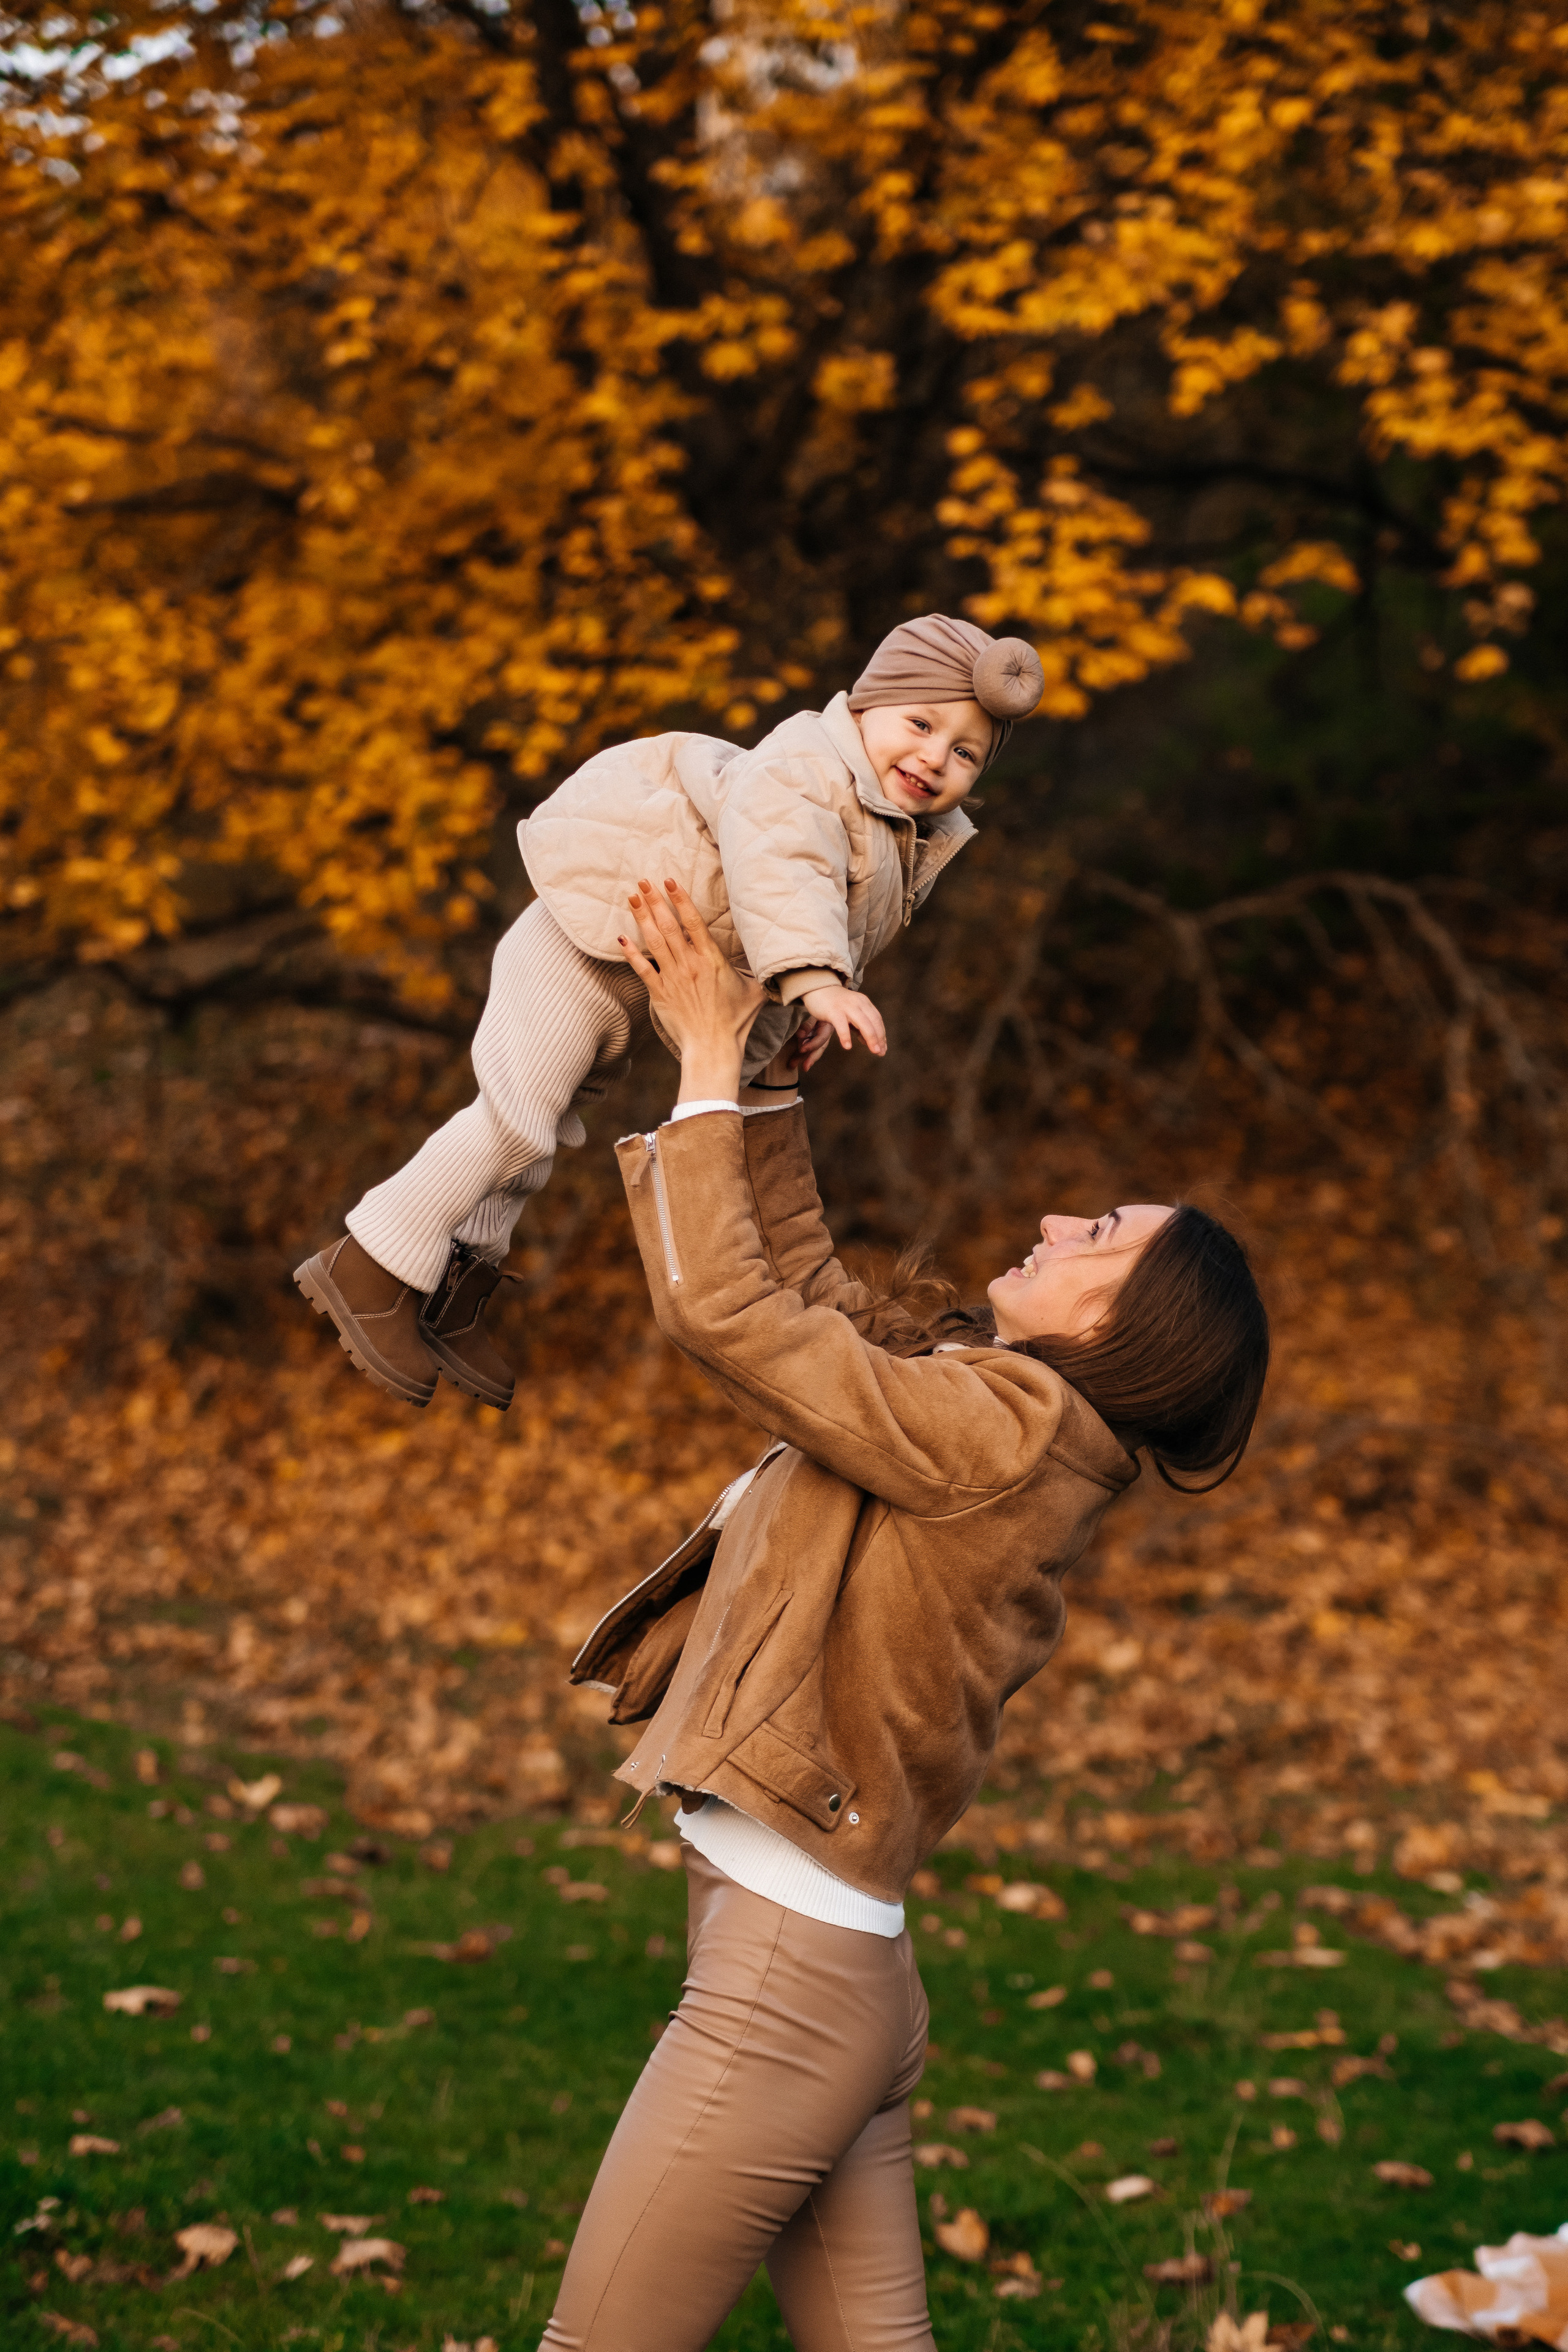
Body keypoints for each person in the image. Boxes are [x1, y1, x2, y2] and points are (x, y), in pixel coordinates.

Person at [541, 881, 1270, 2352]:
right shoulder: (1001, 1419)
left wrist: (698, 1059)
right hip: (840, 1975)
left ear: (1118, 1323)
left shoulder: (1003, 1435)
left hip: (785, 1997)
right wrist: (759, 1081)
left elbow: (731, 1320)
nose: (1056, 1220)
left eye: (1097, 1232)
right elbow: (810, 1299)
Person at [293, 615, 1046, 1413]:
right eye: (921, 724)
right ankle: (372, 1261)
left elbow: (824, 918)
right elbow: (783, 870)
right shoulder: (806, 771)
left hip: (627, 977)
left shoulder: (892, 828)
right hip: (582, 947)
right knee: (515, 1123)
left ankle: (449, 1288)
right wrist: (818, 979)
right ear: (863, 708)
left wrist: (811, 1004)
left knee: (541, 1138)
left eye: (966, 752)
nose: (935, 757)